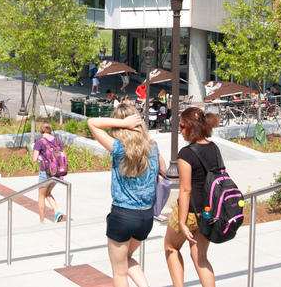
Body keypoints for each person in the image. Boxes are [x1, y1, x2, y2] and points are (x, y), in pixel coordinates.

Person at [87, 101, 165, 287]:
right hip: (146, 216)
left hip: (123, 215)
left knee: (119, 271)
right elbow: (162, 170)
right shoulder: (152, 147)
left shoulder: (119, 148)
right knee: (127, 258)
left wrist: (122, 124)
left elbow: (92, 122)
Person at [164, 107, 221, 287]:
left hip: (189, 212)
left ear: (190, 127)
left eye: (181, 126)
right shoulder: (215, 149)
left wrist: (182, 222)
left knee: (171, 247)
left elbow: (185, 190)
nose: (180, 131)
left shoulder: (186, 154)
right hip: (208, 212)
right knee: (200, 259)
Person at [31, 121, 67, 224]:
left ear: (41, 129)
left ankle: (42, 222)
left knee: (41, 196)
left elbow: (34, 159)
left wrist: (37, 156)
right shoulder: (57, 140)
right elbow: (64, 155)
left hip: (45, 172)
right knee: (48, 193)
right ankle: (56, 212)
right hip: (57, 172)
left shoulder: (39, 141)